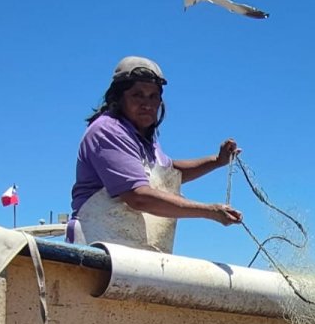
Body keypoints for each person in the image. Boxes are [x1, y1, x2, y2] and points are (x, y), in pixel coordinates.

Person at [67, 56, 242, 252]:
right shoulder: (108, 131)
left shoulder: (145, 139)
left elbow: (169, 173)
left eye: (153, 96)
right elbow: (138, 196)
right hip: (97, 248)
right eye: (137, 95)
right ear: (118, 98)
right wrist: (210, 212)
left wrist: (217, 161)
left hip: (130, 253)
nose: (147, 104)